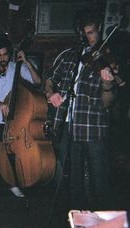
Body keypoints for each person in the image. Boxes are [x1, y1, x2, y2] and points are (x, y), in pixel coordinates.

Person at [44, 11, 119, 210]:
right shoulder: (68, 56)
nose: (88, 38)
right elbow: (50, 79)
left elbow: (107, 102)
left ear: (99, 30)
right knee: (73, 183)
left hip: (93, 128)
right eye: (84, 33)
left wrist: (108, 84)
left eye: (92, 32)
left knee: (100, 183)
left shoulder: (106, 58)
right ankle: (80, 224)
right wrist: (51, 93)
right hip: (68, 128)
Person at [0, 38, 41, 199]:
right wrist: (0, 104)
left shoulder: (17, 68)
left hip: (17, 120)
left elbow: (37, 82)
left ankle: (13, 183)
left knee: (14, 152)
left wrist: (27, 62)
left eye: (5, 55)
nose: (3, 58)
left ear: (9, 55)